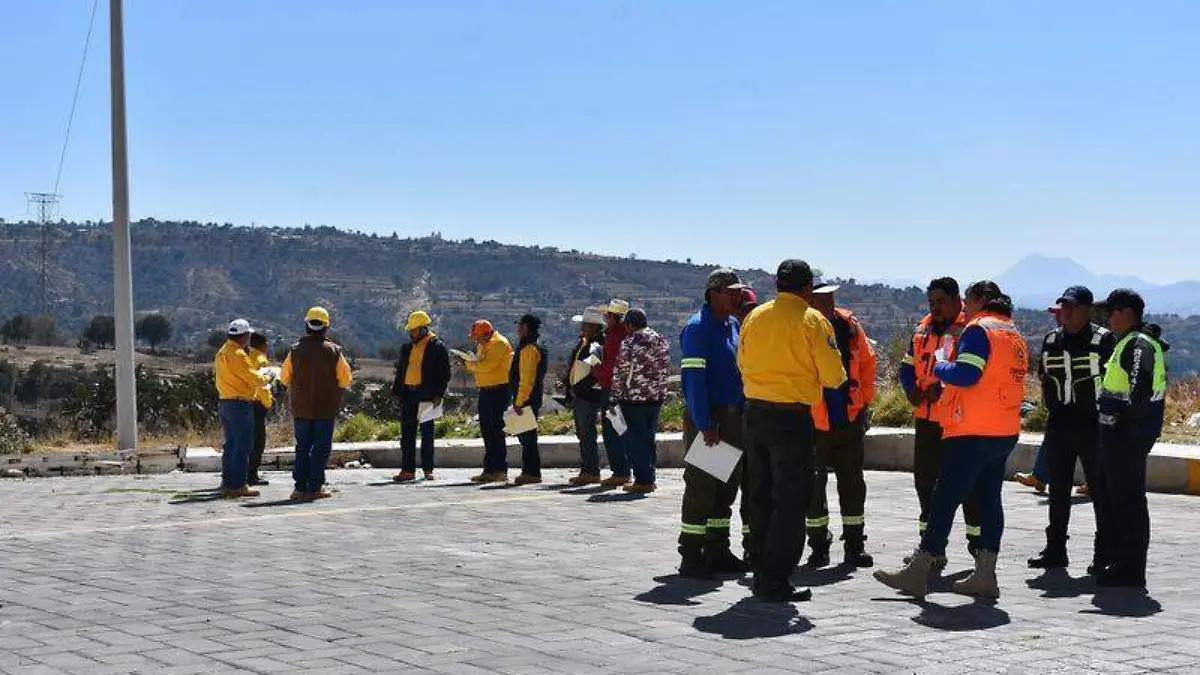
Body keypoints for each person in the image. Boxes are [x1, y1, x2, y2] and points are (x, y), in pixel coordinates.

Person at [875, 281, 1028, 599]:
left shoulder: (979, 330)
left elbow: (967, 374)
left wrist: (942, 367)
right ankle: (985, 574)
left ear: (978, 301)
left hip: (973, 429)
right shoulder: (1012, 333)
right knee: (989, 499)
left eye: (968, 302)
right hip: (1003, 429)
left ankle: (918, 572)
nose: (966, 309)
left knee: (944, 499)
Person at [738, 260, 847, 602]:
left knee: (759, 494)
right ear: (808, 287)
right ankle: (776, 578)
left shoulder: (755, 316)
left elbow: (741, 362)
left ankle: (759, 569)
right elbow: (833, 376)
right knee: (789, 499)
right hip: (791, 419)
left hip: (755, 414)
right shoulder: (813, 320)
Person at [1027, 286, 1115, 571]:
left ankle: (1104, 554)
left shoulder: (1104, 340)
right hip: (1060, 423)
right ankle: (1055, 550)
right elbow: (1044, 376)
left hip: (1093, 425)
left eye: (1073, 307)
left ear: (1088, 310)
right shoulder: (1052, 339)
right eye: (1064, 306)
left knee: (1100, 490)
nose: (1066, 312)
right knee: (1058, 490)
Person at [898, 277, 982, 563]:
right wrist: (911, 389)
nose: (935, 308)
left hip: (959, 421)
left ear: (957, 299)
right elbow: (907, 366)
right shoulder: (922, 328)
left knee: (968, 485)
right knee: (925, 483)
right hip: (926, 419)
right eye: (931, 302)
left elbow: (972, 373)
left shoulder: (970, 329)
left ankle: (979, 546)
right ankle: (931, 549)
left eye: (941, 302)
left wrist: (943, 388)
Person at [1092, 289, 1169, 589]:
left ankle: (1131, 569)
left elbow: (1141, 384)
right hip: (1123, 436)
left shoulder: (1138, 344)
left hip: (1128, 437)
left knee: (1128, 502)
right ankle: (1122, 563)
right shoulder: (1128, 341)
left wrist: (1125, 421)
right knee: (1120, 499)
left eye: (1110, 312)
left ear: (1126, 312)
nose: (1107, 318)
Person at [677, 269, 751, 578]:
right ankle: (691, 554)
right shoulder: (698, 328)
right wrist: (705, 422)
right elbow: (694, 380)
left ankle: (718, 550)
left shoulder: (731, 325)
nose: (738, 297)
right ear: (713, 293)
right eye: (731, 292)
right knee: (702, 488)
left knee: (725, 488)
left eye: (739, 292)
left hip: (733, 418)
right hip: (711, 419)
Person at [804, 278, 877, 569]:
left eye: (830, 298)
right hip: (813, 421)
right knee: (813, 485)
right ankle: (818, 546)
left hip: (848, 418)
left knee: (852, 483)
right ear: (809, 300)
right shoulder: (802, 326)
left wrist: (864, 403)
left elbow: (867, 363)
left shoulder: (849, 325)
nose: (828, 303)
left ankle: (855, 545)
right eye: (822, 299)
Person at [280, 307, 353, 501]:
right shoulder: (334, 351)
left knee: (302, 447)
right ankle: (315, 487)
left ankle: (299, 488)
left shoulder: (295, 350)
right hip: (325, 408)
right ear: (326, 327)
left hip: (301, 409)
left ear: (307, 325)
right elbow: (345, 379)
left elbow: (284, 376)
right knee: (320, 449)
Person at [609, 308, 670, 494]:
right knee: (649, 438)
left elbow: (621, 371)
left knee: (636, 441)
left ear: (629, 324)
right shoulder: (660, 339)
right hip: (655, 397)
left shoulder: (630, 342)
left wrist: (614, 396)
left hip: (633, 398)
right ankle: (650, 477)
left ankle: (643, 480)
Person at [390, 310, 451, 482]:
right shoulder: (407, 347)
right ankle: (407, 470)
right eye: (410, 330)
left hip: (428, 395)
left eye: (414, 330)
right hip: (409, 394)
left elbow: (444, 373)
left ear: (424, 329)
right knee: (407, 434)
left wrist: (438, 394)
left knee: (427, 434)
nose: (411, 333)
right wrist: (397, 391)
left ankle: (428, 469)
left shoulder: (437, 346)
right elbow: (401, 371)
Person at [214, 319, 269, 499]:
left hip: (225, 401)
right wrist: (267, 377)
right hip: (240, 403)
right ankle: (238, 484)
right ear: (244, 336)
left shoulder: (222, 352)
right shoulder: (238, 354)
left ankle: (227, 482)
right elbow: (253, 377)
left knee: (231, 444)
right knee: (243, 445)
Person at [1015, 306, 1065, 493]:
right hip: (1058, 400)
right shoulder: (1054, 337)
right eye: (1056, 314)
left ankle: (1041, 476)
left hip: (1077, 402)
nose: (1057, 317)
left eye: (1060, 313)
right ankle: (1040, 476)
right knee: (1053, 436)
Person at [462, 319, 514, 484]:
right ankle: (489, 469)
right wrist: (472, 362)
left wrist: (469, 365)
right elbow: (480, 363)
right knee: (487, 430)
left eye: (478, 337)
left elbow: (486, 366)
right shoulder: (484, 344)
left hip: (498, 390)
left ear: (487, 334)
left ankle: (500, 470)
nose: (476, 341)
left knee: (496, 430)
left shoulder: (498, 343)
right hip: (486, 390)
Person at [592, 299, 632, 487]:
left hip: (611, 388)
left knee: (612, 430)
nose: (605, 318)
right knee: (621, 428)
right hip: (623, 388)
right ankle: (624, 469)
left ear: (614, 317)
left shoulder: (615, 337)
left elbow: (612, 365)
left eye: (608, 315)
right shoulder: (626, 335)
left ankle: (620, 471)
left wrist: (596, 370)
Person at [564, 307, 606, 485]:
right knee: (583, 433)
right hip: (580, 393)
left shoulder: (596, 346)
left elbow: (594, 373)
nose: (583, 328)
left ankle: (591, 470)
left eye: (586, 325)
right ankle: (587, 468)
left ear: (595, 327)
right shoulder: (584, 343)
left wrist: (579, 388)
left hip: (588, 395)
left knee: (587, 433)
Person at [511, 314, 548, 486]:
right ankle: (529, 471)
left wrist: (519, 401)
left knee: (528, 439)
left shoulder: (529, 349)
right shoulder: (531, 347)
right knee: (526, 437)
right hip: (529, 398)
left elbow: (527, 379)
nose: (518, 329)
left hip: (526, 400)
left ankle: (531, 472)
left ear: (526, 328)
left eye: (520, 325)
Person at [247, 331, 274, 487]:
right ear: (264, 345)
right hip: (257, 403)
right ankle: (252, 474)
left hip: (244, 401)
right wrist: (267, 402)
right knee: (258, 441)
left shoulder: (245, 356)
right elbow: (262, 385)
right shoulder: (261, 360)